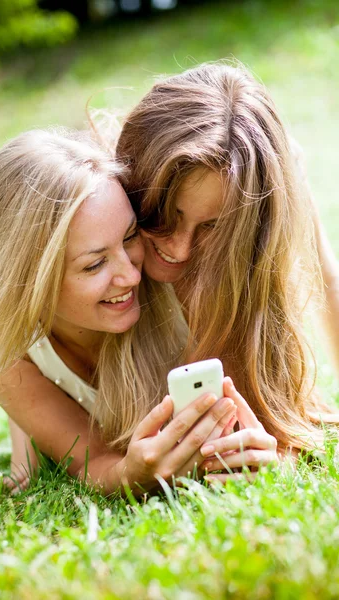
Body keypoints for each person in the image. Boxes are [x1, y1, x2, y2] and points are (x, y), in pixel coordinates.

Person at [0, 127, 254, 496]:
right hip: (11, 327)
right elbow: (96, 464)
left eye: (129, 236)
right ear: (32, 282)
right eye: (94, 265)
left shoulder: (170, 278)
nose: (131, 274)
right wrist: (131, 472)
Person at [115, 60, 339, 467]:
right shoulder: (96, 199)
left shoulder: (266, 201)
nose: (180, 250)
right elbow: (16, 310)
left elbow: (325, 276)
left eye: (212, 226)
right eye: (164, 214)